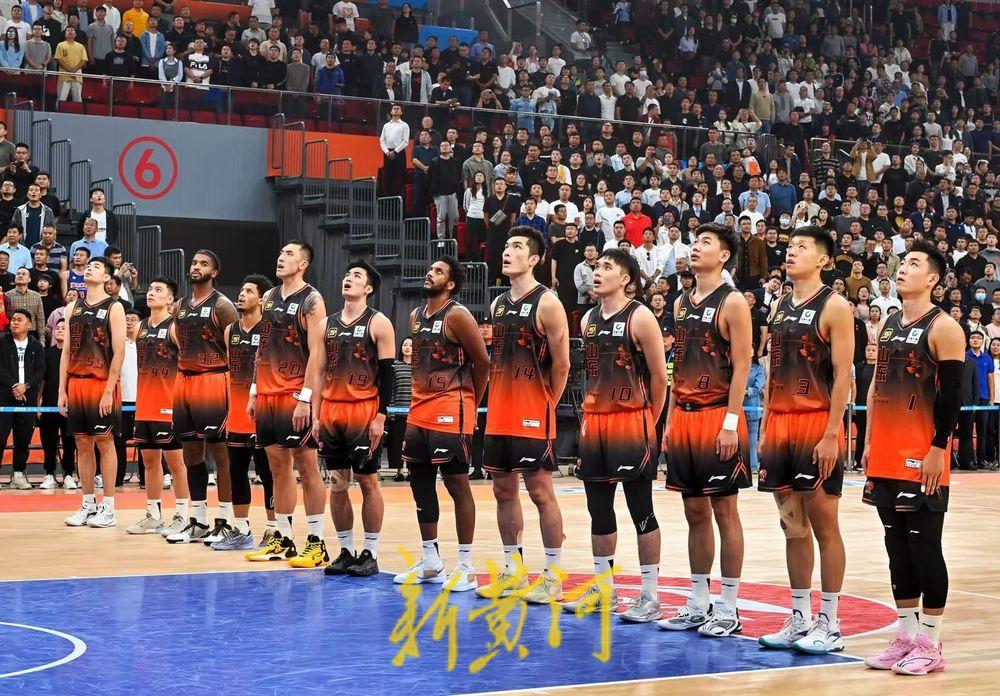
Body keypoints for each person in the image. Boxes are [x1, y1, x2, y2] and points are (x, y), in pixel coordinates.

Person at [861, 239, 965, 675]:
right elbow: (876, 385)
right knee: (896, 548)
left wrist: (938, 449)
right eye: (902, 262)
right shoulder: (888, 323)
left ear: (933, 279)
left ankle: (931, 642)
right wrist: (868, 440)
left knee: (924, 547)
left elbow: (952, 397)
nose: (903, 268)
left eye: (914, 263)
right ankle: (905, 635)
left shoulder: (944, 327)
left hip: (921, 455)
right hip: (884, 453)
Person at [758, 226, 855, 654]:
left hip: (815, 421)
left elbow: (844, 376)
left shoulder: (835, 306)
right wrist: (765, 427)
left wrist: (833, 433)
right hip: (780, 424)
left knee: (824, 524)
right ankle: (799, 617)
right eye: (790, 245)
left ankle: (830, 622)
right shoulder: (780, 305)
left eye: (802, 247)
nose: (791, 251)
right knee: (792, 526)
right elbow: (772, 371)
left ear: (824, 260)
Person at [660, 222, 753, 636]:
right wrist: (668, 421)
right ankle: (699, 601)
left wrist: (731, 423)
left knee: (724, 511)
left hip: (718, 415)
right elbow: (676, 367)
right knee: (693, 511)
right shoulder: (681, 302)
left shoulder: (733, 302)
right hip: (684, 416)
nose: (695, 247)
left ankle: (729, 606)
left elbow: (743, 366)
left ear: (724, 255)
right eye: (694, 241)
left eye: (705, 243)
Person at [565, 248, 668, 621]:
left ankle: (650, 595)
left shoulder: (640, 316)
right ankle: (604, 590)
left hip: (631, 421)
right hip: (595, 422)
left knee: (641, 509)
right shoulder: (588, 319)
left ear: (625, 279)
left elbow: (659, 378)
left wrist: (648, 423)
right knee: (598, 509)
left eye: (607, 267)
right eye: (596, 266)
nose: (597, 271)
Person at [476, 227, 570, 603]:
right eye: (506, 245)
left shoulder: (547, 303)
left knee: (541, 492)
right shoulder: (498, 305)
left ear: (534, 259)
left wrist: (547, 403)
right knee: (503, 491)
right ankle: (514, 570)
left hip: (532, 413)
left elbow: (562, 364)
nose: (507, 251)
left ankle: (553, 574)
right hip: (499, 412)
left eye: (516, 247)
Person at [393, 257, 490, 591]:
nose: (429, 273)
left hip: (452, 406)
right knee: (419, 482)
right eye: (429, 269)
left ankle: (465, 565)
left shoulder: (457, 315)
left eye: (437, 272)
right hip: (419, 408)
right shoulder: (416, 316)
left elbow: (482, 362)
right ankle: (430, 559)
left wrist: (470, 402)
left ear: (450, 284)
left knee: (456, 483)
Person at [245, 241, 329, 567]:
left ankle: (317, 542)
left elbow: (318, 354)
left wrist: (306, 398)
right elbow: (262, 348)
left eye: (289, 254)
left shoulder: (312, 300)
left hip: (296, 394)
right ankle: (283, 538)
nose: (281, 257)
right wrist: (254, 390)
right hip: (268, 394)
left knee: (307, 468)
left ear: (303, 264)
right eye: (280, 253)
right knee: (277, 467)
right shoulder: (268, 297)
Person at [318, 261, 396, 578]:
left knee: (367, 481)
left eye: (357, 276)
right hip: (331, 411)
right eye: (347, 274)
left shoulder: (378, 323)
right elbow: (319, 371)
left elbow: (388, 375)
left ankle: (370, 553)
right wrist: (315, 412)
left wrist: (381, 416)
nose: (348, 278)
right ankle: (346, 550)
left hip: (363, 411)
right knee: (337, 483)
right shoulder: (326, 324)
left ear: (368, 288)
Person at [165, 251, 238, 544]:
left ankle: (226, 521)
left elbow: (237, 348)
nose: (196, 267)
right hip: (184, 381)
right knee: (191, 454)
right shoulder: (180, 306)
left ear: (215, 272)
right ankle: (198, 521)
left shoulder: (222, 305)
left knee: (221, 455)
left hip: (214, 380)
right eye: (194, 262)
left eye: (203, 264)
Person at [60, 256, 126, 527]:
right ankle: (87, 504)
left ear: (107, 277)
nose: (89, 268)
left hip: (101, 383)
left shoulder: (114, 307)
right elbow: (66, 351)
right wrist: (62, 390)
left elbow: (119, 352)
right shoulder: (72, 306)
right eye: (88, 266)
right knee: (82, 444)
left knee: (105, 442)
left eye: (96, 266)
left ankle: (108, 507)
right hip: (76, 383)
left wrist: (109, 390)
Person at [213, 275, 276, 552]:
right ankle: (242, 530)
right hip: (237, 413)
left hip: (263, 413)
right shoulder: (231, 331)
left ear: (261, 299)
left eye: (249, 291)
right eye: (241, 289)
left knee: (267, 473)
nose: (242, 294)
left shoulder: (270, 328)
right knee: (236, 472)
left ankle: (274, 530)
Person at [125, 277, 191, 536]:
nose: (152, 293)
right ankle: (153, 516)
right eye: (150, 289)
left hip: (169, 405)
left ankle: (183, 515)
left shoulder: (175, 328)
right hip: (144, 405)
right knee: (150, 462)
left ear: (170, 299)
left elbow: (188, 364)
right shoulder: (139, 328)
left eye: (158, 290)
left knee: (176, 463)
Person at [0, 309, 45, 490]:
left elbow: (40, 371)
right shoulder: (2, 341)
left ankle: (18, 474)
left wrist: (25, 386)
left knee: (23, 439)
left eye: (19, 320)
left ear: (29, 325)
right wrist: (14, 386)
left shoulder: (36, 346)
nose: (15, 322)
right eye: (13, 319)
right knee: (0, 437)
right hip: (4, 399)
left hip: (28, 399)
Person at [39, 319, 77, 490]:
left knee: (70, 443)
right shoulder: (46, 353)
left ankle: (69, 475)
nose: (60, 330)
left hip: (71, 405)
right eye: (57, 328)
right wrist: (38, 402)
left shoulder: (75, 353)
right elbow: (42, 380)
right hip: (49, 404)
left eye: (64, 328)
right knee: (49, 443)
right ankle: (49, 474)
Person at [387, 337, 413, 481]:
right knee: (396, 443)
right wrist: (391, 410)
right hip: (397, 412)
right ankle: (399, 471)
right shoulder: (395, 366)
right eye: (405, 345)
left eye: (410, 345)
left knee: (412, 443)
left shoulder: (419, 367)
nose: (407, 347)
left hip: (414, 413)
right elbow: (390, 389)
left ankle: (411, 470)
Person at [379, 104, 409, 198]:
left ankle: (398, 198)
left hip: (399, 153)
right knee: (388, 175)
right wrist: (386, 152)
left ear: (401, 112)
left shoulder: (404, 125)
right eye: (394, 108)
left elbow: (405, 141)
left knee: (398, 176)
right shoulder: (386, 125)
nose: (396, 110)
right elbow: (382, 140)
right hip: (387, 153)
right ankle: (387, 197)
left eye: (398, 109)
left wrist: (395, 151)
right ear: (391, 112)